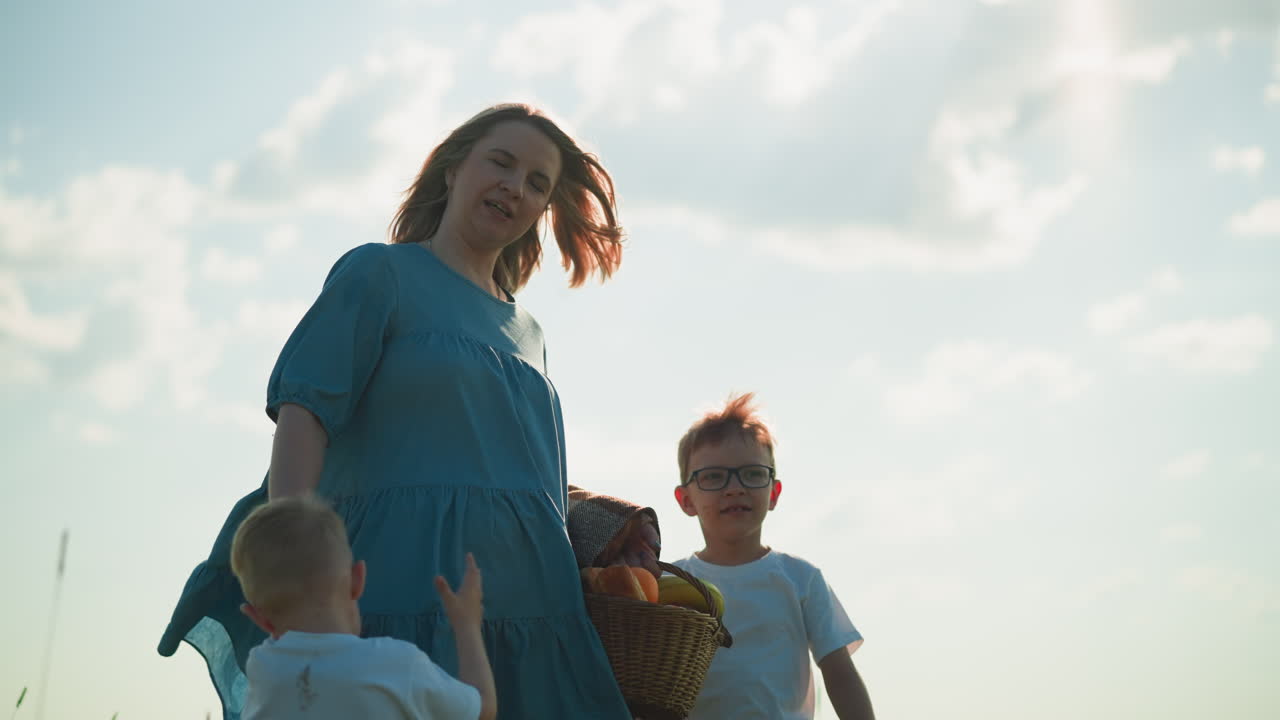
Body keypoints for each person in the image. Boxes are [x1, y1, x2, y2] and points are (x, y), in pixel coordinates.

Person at [158, 103, 657, 719]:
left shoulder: (530, 331)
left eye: (537, 183)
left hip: (530, 604)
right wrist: (292, 561)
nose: (514, 186)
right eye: (500, 163)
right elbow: (304, 410)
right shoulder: (380, 273)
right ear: (452, 170)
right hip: (399, 579)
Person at [670, 393, 875, 720]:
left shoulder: (800, 579)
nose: (734, 488)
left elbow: (839, 673)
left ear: (773, 493)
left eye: (751, 473)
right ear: (686, 500)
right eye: (713, 477)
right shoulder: (670, 584)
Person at [230, 496, 496, 720]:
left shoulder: (262, 669)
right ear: (358, 579)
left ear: (259, 618)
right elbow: (482, 709)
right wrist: (467, 625)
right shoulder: (399, 664)